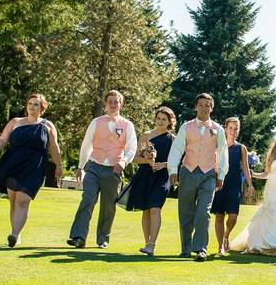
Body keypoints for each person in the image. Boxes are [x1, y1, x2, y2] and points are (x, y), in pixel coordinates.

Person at [0, 93, 63, 248]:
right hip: (13, 163)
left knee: (23, 200)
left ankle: (14, 235)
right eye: (30, 103)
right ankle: (16, 232)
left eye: (36, 104)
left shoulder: (48, 126)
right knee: (14, 202)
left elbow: (54, 147)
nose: (32, 106)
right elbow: (2, 140)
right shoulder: (15, 122)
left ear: (42, 108)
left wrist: (59, 166)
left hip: (35, 166)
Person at [67, 90, 137, 249]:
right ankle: (78, 236)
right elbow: (86, 145)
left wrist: (124, 162)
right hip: (93, 166)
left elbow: (132, 148)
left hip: (114, 169)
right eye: (110, 101)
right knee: (88, 199)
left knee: (108, 206)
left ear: (121, 104)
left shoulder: (127, 125)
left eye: (116, 102)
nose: (113, 104)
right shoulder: (96, 122)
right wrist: (80, 166)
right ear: (105, 104)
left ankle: (103, 239)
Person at [168, 93, 229, 262]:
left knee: (204, 211)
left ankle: (201, 248)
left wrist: (221, 174)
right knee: (185, 212)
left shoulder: (218, 129)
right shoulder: (186, 127)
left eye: (207, 105)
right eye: (201, 105)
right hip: (188, 171)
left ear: (212, 108)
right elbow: (177, 148)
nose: (204, 108)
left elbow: (223, 153)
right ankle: (185, 248)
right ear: (196, 107)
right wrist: (173, 170)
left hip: (208, 174)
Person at [117, 106, 176, 256]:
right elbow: (136, 158)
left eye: (164, 119)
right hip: (145, 175)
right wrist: (148, 161)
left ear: (170, 122)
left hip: (163, 177)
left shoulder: (173, 140)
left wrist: (164, 164)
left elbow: (178, 161)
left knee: (155, 208)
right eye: (158, 118)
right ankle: (146, 243)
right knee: (146, 211)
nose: (161, 121)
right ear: (155, 119)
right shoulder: (146, 136)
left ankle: (152, 244)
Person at [229, 132, 276, 256]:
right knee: (269, 215)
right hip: (271, 189)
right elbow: (266, 174)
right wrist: (252, 174)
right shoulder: (271, 155)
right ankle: (263, 244)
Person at [210, 117, 255, 254]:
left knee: (233, 216)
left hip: (235, 183)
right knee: (219, 215)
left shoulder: (241, 148)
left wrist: (250, 185)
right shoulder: (218, 146)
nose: (233, 131)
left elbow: (246, 169)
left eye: (236, 128)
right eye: (230, 128)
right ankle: (220, 246)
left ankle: (226, 235)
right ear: (225, 128)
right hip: (219, 183)